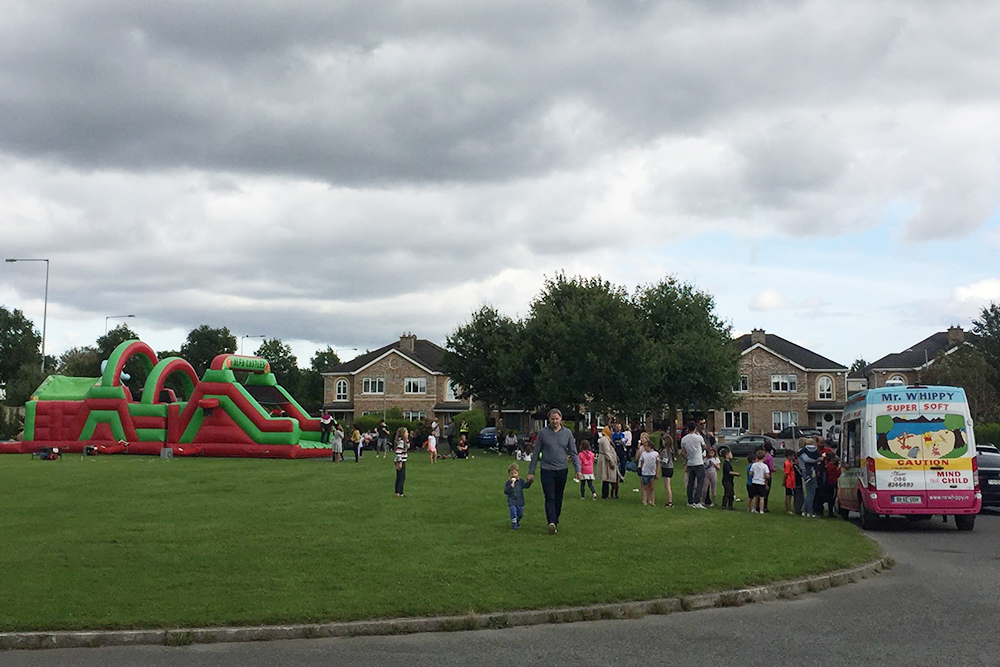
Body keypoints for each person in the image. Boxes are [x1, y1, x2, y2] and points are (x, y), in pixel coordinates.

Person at [527, 408, 581, 534]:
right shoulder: (542, 433)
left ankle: (555, 520)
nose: (554, 421)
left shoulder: (567, 433)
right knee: (549, 496)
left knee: (558, 496)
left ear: (561, 419)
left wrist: (578, 469)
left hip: (562, 469)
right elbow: (536, 453)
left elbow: (573, 452)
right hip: (547, 469)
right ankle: (550, 521)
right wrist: (531, 471)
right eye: (552, 419)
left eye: (557, 419)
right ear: (549, 419)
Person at [680, 420, 707, 508]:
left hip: (690, 462)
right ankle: (697, 501)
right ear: (695, 428)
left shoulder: (684, 439)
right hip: (699, 462)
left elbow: (683, 452)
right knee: (700, 482)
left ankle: (690, 501)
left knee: (690, 482)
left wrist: (687, 458)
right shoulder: (698, 438)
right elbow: (704, 447)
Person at [504, 462, 533, 529]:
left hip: (519, 501)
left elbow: (526, 486)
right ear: (509, 474)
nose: (513, 475)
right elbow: (506, 491)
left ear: (518, 473)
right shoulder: (508, 483)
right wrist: (511, 487)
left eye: (515, 473)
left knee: (520, 514)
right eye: (511, 473)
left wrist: (529, 482)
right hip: (512, 501)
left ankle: (517, 521)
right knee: (513, 512)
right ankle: (514, 526)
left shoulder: (520, 481)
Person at [798, 437, 822, 517]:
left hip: (805, 472)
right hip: (811, 472)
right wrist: (818, 460)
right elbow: (809, 460)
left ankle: (804, 510)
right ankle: (809, 511)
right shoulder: (815, 451)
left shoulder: (802, 451)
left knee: (809, 492)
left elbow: (806, 460)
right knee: (811, 492)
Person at [596, 431, 621, 499]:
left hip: (607, 459)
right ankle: (605, 494)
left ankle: (611, 494)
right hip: (606, 460)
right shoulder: (605, 440)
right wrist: (611, 461)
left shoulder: (606, 439)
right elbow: (607, 451)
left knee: (608, 478)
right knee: (607, 478)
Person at [638, 434, 659, 506]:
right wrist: (640, 469)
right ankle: (644, 500)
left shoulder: (655, 454)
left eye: (646, 446)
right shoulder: (643, 454)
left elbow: (657, 463)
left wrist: (657, 472)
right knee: (645, 486)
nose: (645, 448)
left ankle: (652, 500)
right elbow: (641, 462)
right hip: (645, 472)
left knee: (652, 487)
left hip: (652, 473)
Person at [749, 450, 770, 514]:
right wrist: (767, 477)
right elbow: (767, 475)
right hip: (761, 482)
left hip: (754, 481)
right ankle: (761, 510)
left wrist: (754, 475)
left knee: (755, 496)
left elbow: (750, 473)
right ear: (764, 458)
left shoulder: (754, 465)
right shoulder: (765, 466)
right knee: (761, 497)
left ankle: (753, 508)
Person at [659, 430, 676, 507]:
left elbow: (665, 461)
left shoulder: (665, 451)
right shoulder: (671, 450)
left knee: (667, 486)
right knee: (667, 486)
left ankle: (670, 502)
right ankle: (669, 501)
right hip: (670, 468)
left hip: (666, 468)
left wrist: (659, 459)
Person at [393, 427, 409, 497]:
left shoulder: (404, 441)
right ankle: (400, 492)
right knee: (402, 477)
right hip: (401, 461)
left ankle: (397, 492)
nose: (407, 433)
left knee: (399, 477)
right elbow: (398, 452)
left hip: (401, 461)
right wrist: (400, 462)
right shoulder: (401, 442)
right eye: (406, 432)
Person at [761, 444, 775, 512]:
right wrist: (774, 470)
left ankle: (759, 505)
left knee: (761, 491)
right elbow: (771, 467)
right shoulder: (769, 457)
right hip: (768, 475)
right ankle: (764, 507)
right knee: (766, 492)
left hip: (761, 475)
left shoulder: (763, 456)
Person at [783, 449, 797, 514]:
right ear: (789, 456)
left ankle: (787, 508)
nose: (794, 457)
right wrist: (784, 481)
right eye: (793, 456)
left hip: (790, 481)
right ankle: (789, 509)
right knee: (789, 496)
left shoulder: (789, 463)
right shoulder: (788, 464)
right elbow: (786, 473)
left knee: (788, 495)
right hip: (789, 481)